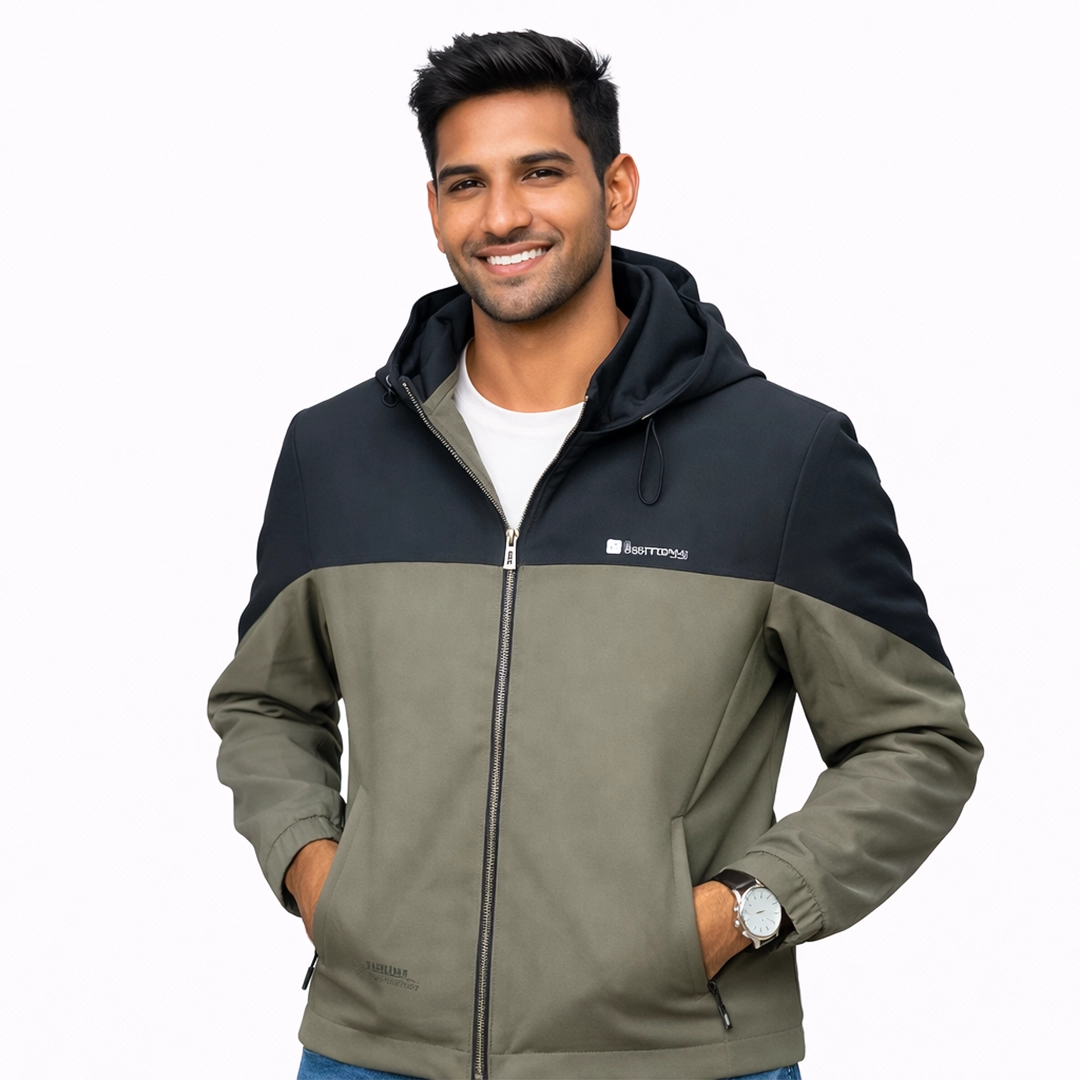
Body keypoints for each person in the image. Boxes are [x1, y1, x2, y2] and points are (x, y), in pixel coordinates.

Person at [208, 30, 982, 1080]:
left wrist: (747, 910)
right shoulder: (335, 453)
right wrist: (316, 874)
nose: (502, 216)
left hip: (673, 1052)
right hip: (374, 1049)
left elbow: (916, 740)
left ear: (616, 190)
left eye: (541, 172)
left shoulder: (784, 458)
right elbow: (264, 702)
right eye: (466, 183)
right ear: (433, 209)